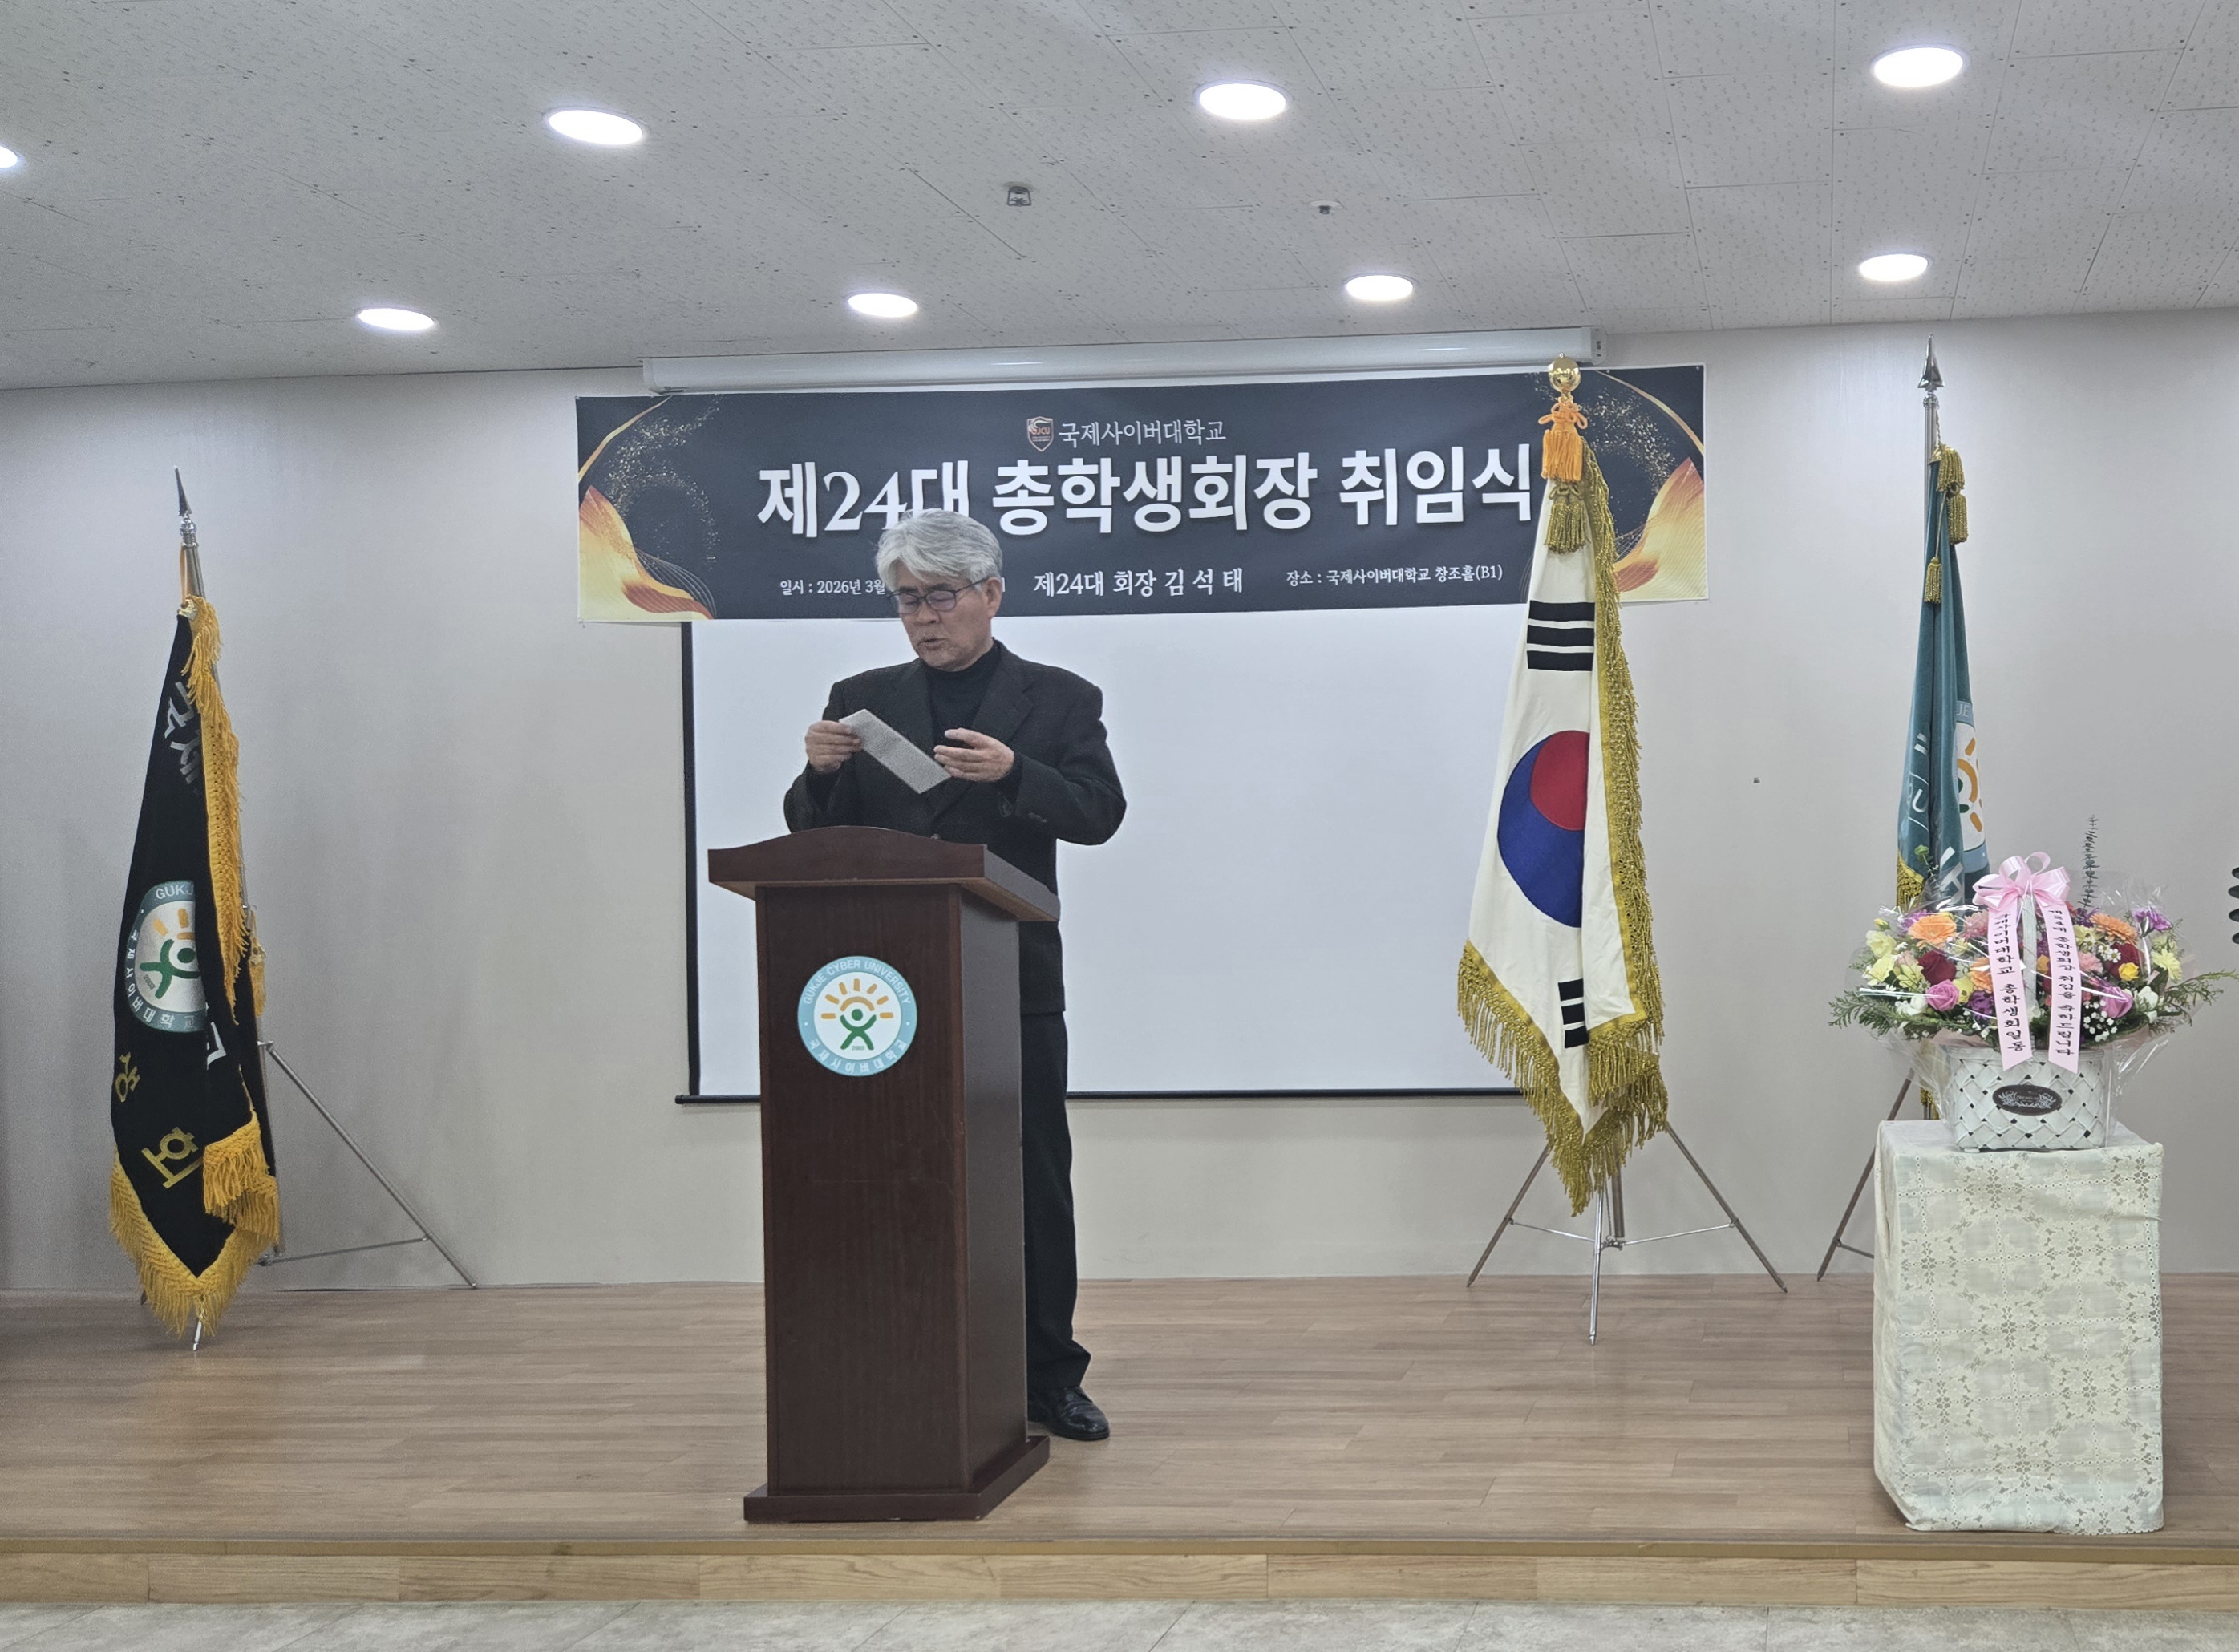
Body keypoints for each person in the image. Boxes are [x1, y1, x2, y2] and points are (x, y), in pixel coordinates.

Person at [783, 509, 1126, 1443]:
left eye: (939, 596)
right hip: (888, 987)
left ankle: (1048, 1376)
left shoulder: (1059, 698)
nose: (923, 617)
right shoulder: (862, 697)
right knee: (897, 1170)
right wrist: (818, 773)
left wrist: (1016, 773)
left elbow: (1099, 813)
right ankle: (905, 1357)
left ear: (990, 593)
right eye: (906, 600)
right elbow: (814, 831)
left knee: (1032, 1178)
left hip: (1010, 978)